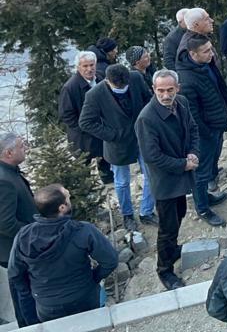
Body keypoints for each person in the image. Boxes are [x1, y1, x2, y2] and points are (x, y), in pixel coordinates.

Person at [8, 184, 118, 324]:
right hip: (84, 297)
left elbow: (14, 274)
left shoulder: (23, 236)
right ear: (62, 207)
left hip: (48, 306)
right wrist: (92, 279)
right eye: (67, 196)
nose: (70, 197)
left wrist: (33, 293)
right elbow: (111, 260)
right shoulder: (83, 230)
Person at [135, 69, 199, 290]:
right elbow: (152, 157)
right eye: (160, 90)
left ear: (177, 88)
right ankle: (165, 270)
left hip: (181, 175)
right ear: (153, 89)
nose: (165, 95)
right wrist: (183, 164)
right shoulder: (146, 118)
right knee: (167, 228)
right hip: (165, 182)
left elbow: (192, 129)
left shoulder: (181, 102)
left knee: (180, 214)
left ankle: (172, 250)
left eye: (169, 89)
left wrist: (193, 152)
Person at [79, 64, 154, 232]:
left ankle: (146, 211)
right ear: (107, 81)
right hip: (117, 144)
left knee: (151, 174)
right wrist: (112, 135)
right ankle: (127, 214)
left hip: (141, 137)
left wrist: (148, 125)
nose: (122, 88)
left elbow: (148, 99)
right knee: (121, 182)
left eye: (125, 85)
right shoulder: (94, 95)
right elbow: (85, 122)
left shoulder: (135, 78)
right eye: (118, 87)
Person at [176, 35, 227, 225]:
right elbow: (192, 115)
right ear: (193, 54)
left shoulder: (206, 64)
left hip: (216, 125)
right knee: (201, 173)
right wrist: (207, 134)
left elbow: (219, 87)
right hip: (204, 133)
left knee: (209, 167)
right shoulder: (186, 79)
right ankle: (202, 208)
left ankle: (207, 197)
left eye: (211, 49)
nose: (212, 53)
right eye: (206, 51)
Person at [59, 50, 112, 184]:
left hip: (101, 130)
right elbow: (66, 115)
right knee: (83, 168)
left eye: (91, 65)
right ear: (78, 67)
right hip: (82, 136)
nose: (89, 69)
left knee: (105, 162)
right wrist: (84, 127)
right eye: (85, 66)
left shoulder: (101, 79)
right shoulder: (70, 87)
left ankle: (109, 185)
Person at [0, 132, 34, 326]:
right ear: (9, 152)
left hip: (18, 245)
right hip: (14, 249)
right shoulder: (3, 180)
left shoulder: (9, 171)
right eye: (22, 146)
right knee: (23, 294)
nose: (25, 148)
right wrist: (31, 233)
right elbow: (5, 223)